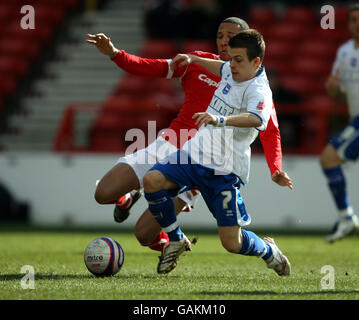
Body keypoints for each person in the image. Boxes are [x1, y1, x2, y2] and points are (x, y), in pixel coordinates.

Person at [86, 17, 292, 253]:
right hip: (170, 143)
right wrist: (114, 53)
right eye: (220, 36)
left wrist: (275, 167)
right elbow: (152, 67)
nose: (224, 41)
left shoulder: (255, 87)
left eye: (231, 37)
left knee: (143, 234)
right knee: (103, 193)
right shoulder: (198, 62)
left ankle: (172, 241)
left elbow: (270, 131)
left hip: (204, 160)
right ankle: (132, 198)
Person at [143, 29, 291, 275]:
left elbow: (255, 119)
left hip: (224, 169)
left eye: (238, 59)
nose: (230, 64)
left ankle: (269, 251)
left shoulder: (259, 90)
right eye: (230, 58)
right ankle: (176, 238)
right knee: (151, 180)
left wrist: (219, 119)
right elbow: (218, 67)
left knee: (232, 243)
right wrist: (194, 60)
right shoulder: (232, 70)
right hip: (194, 154)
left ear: (257, 62)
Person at [320, 4, 359, 243]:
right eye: (353, 19)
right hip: (356, 120)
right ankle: (346, 218)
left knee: (329, 157)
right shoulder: (345, 52)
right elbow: (334, 89)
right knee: (329, 158)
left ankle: (346, 218)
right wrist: (332, 86)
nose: (358, 23)